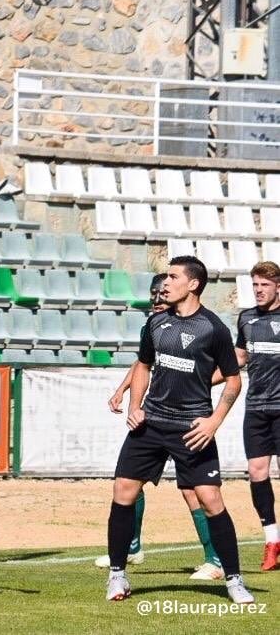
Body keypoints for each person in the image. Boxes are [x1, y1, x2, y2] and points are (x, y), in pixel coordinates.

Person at [105, 256, 252, 604]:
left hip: (192, 428)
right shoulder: (155, 323)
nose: (165, 283)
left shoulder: (214, 328)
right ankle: (117, 576)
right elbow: (143, 366)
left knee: (211, 499)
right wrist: (135, 405)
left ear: (193, 284)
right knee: (123, 490)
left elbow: (233, 381)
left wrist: (214, 420)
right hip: (152, 424)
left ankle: (233, 580)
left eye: (173, 277)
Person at [98, 273, 222, 580]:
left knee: (194, 491)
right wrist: (124, 391)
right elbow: (145, 363)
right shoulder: (156, 324)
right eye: (155, 294)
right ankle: (131, 546)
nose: (158, 298)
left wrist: (194, 382)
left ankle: (216, 560)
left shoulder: (203, 326)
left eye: (161, 292)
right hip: (155, 417)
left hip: (186, 418)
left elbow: (224, 367)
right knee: (129, 480)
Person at [218, 261, 280, 571]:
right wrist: (204, 379)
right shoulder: (247, 318)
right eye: (255, 285)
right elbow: (239, 357)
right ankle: (272, 541)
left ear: (277, 286)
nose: (258, 290)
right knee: (257, 473)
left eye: (264, 285)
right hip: (256, 407)